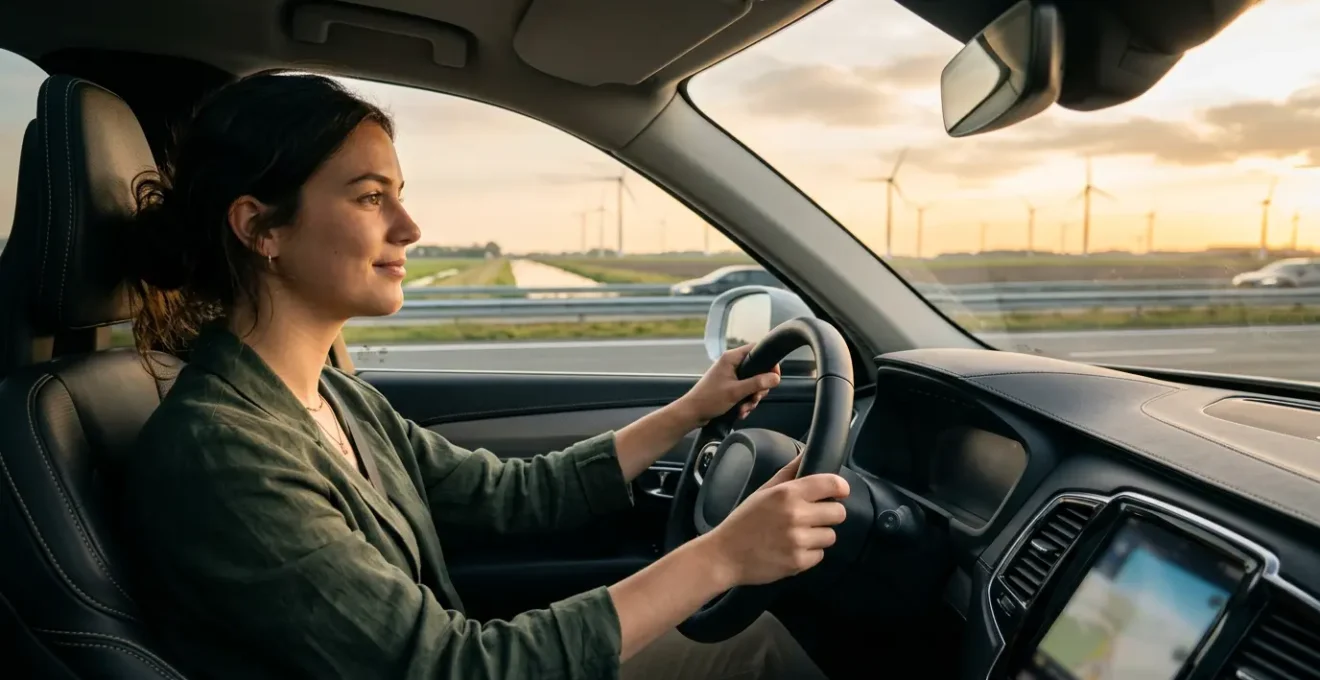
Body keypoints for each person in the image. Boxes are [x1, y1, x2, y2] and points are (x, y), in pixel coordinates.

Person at [119, 70, 848, 680]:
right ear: (260, 228)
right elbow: (451, 668)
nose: (409, 227)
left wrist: (689, 411)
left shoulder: (333, 397)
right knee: (752, 653)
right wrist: (722, 557)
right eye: (370, 197)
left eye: (399, 194)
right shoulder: (222, 454)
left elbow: (511, 495)